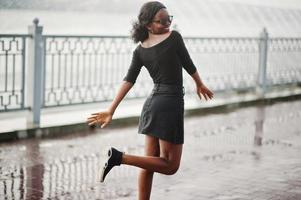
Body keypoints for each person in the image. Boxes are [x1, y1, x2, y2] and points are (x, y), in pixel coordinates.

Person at [87, 1, 213, 199]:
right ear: (148, 25)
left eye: (168, 19)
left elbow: (128, 80)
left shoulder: (140, 50)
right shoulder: (174, 38)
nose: (167, 24)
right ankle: (118, 157)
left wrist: (111, 110)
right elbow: (188, 63)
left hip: (152, 105)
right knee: (170, 165)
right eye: (161, 21)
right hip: (169, 104)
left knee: (148, 163)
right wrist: (199, 83)